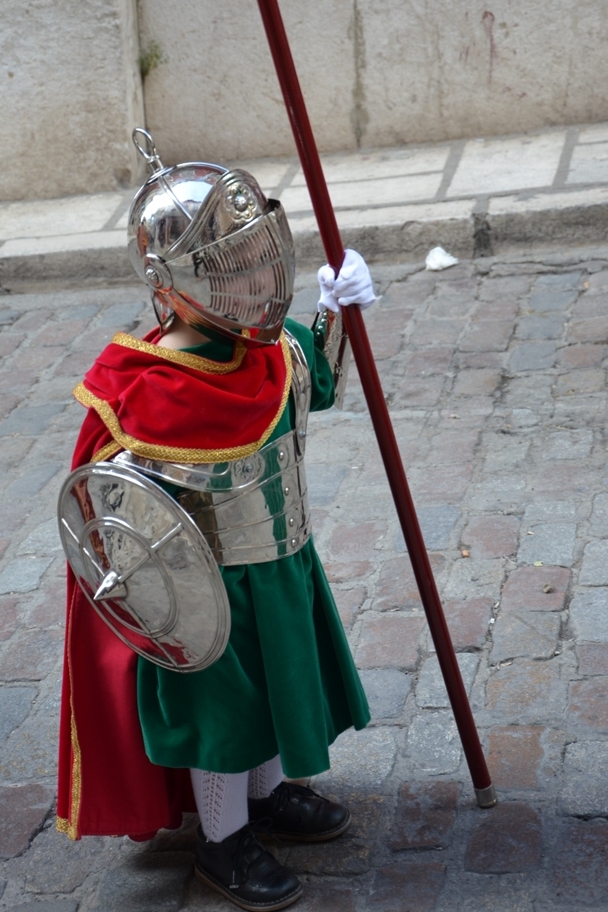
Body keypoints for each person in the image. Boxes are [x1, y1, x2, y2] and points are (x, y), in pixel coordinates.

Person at [56, 130, 374, 911]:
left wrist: (338, 312)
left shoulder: (269, 351)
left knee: (278, 687)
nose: (254, 283)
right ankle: (224, 840)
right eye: (227, 270)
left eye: (255, 259)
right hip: (210, 597)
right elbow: (111, 520)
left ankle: (266, 799)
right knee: (224, 714)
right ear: (170, 288)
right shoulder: (140, 388)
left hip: (282, 562)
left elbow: (319, 384)